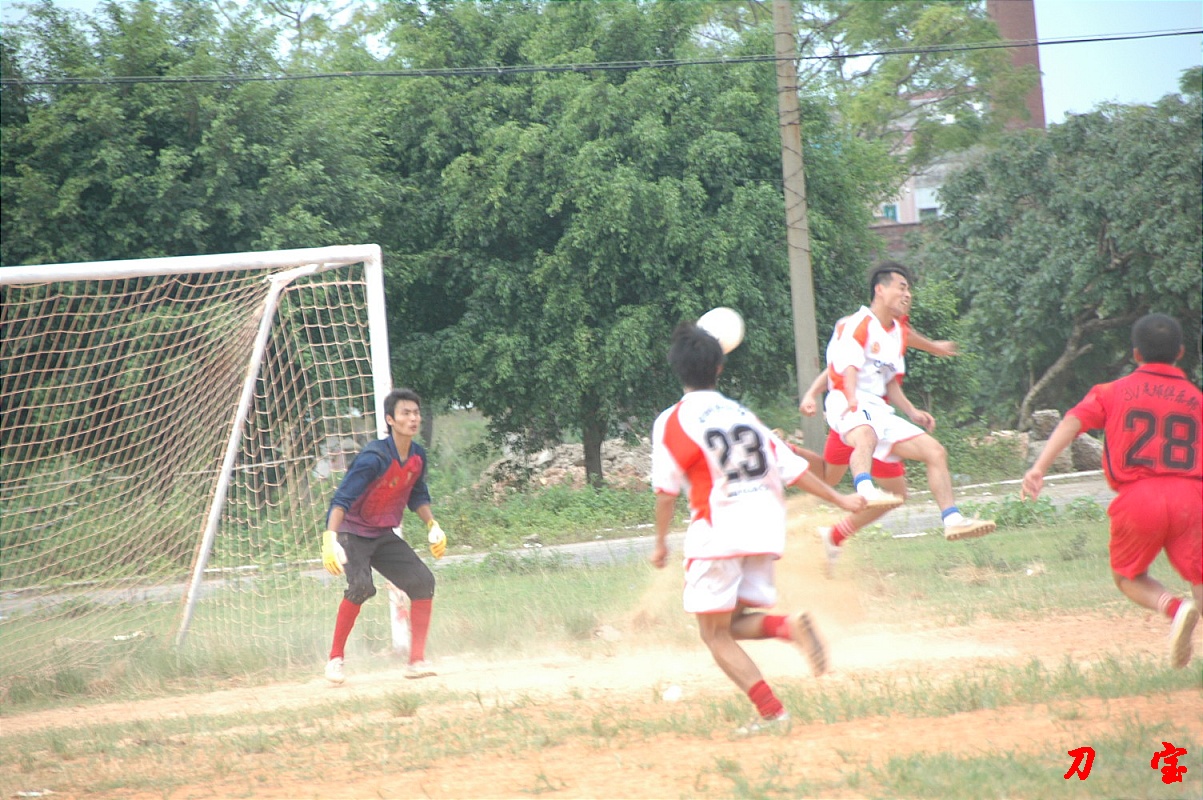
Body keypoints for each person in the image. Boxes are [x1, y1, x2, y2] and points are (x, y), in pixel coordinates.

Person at [650, 321, 867, 734]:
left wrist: (660, 543)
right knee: (730, 623)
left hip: (720, 530)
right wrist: (840, 500)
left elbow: (665, 492)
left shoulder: (672, 421)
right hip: (765, 527)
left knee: (713, 635)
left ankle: (772, 713)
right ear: (719, 368)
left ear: (677, 370)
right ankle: (787, 627)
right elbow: (794, 469)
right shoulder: (742, 415)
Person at [1022, 313, 1201, 669]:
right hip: (1191, 499)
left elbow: (1073, 421)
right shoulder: (1196, 399)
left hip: (1139, 498)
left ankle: (1174, 608)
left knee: (1127, 575)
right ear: (1180, 352)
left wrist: (1039, 467)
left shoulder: (1112, 392)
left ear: (1136, 354)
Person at [818, 261, 994, 569]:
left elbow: (890, 382)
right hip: (846, 400)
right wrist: (851, 398)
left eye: (909, 289)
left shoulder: (896, 333)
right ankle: (864, 488)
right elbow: (848, 367)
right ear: (880, 289)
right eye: (901, 287)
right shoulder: (858, 323)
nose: (907, 294)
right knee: (864, 436)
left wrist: (912, 411)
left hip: (879, 408)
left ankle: (952, 519)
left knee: (934, 452)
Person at [781, 325, 959, 575]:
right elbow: (835, 368)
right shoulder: (863, 326)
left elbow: (904, 337)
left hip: (862, 418)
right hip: (861, 418)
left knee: (831, 477)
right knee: (892, 487)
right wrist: (811, 393)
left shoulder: (891, 333)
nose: (904, 301)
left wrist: (934, 347)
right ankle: (851, 508)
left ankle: (788, 453)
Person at [320, 387, 448, 684]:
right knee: (362, 586)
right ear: (390, 419)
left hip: (381, 533)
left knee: (423, 581)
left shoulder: (417, 456)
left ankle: (416, 661)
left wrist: (433, 524)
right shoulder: (373, 457)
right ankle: (335, 659)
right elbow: (341, 500)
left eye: (416, 413)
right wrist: (330, 538)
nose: (413, 418)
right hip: (352, 531)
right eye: (405, 413)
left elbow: (417, 495)